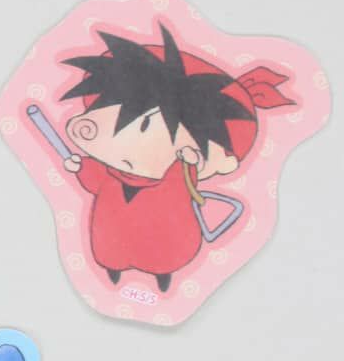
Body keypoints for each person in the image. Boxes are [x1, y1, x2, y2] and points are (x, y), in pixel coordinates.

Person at [58, 23, 292, 292]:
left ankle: (161, 275)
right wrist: (81, 167)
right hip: (111, 236)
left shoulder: (176, 178)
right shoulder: (112, 176)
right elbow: (97, 179)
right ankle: (113, 270)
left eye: (144, 128)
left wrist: (187, 163)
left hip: (166, 242)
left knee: (160, 256)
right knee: (111, 252)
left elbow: (180, 181)